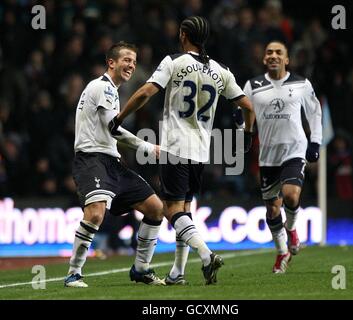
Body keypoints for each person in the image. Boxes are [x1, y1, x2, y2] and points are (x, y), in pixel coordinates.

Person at [109, 16, 255, 285]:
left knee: (172, 211)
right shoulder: (221, 70)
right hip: (201, 151)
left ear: (184, 35)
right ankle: (177, 273)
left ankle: (207, 255)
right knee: (184, 210)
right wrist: (246, 135)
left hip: (176, 146)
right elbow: (248, 106)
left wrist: (119, 117)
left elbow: (145, 93)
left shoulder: (173, 61)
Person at [64, 41, 166, 287]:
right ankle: (73, 273)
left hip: (111, 162)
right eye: (126, 59)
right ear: (111, 62)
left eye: (134, 60)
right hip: (93, 159)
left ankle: (141, 269)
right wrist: (147, 147)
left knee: (155, 208)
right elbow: (114, 128)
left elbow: (109, 130)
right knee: (95, 214)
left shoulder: (111, 91)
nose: (131, 64)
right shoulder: (103, 88)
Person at [240, 41, 322, 273]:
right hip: (268, 156)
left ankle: (293, 229)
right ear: (264, 59)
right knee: (272, 210)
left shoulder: (301, 84)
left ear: (287, 59)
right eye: (269, 53)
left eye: (279, 53)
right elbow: (243, 112)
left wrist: (315, 141)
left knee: (291, 195)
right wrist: (244, 132)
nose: (273, 56)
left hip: (295, 150)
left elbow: (315, 114)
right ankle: (282, 252)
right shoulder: (253, 85)